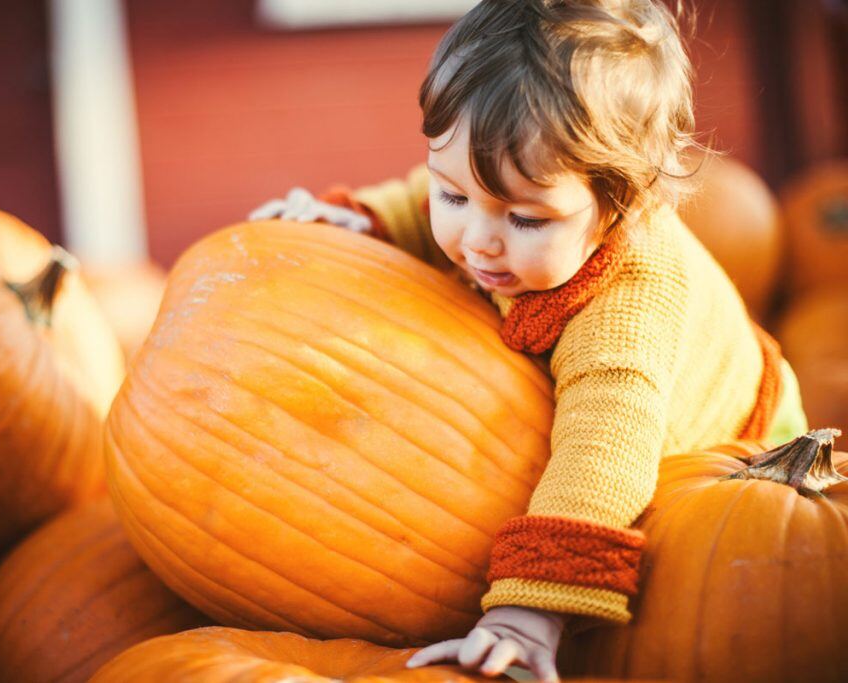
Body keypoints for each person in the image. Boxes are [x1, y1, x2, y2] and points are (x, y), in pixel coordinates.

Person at [248, 0, 808, 679]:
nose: (478, 239)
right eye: (455, 196)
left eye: (524, 217)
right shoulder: (501, 212)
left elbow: (603, 455)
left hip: (727, 450)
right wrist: (353, 221)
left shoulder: (627, 309)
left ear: (618, 206)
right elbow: (414, 200)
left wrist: (528, 609)